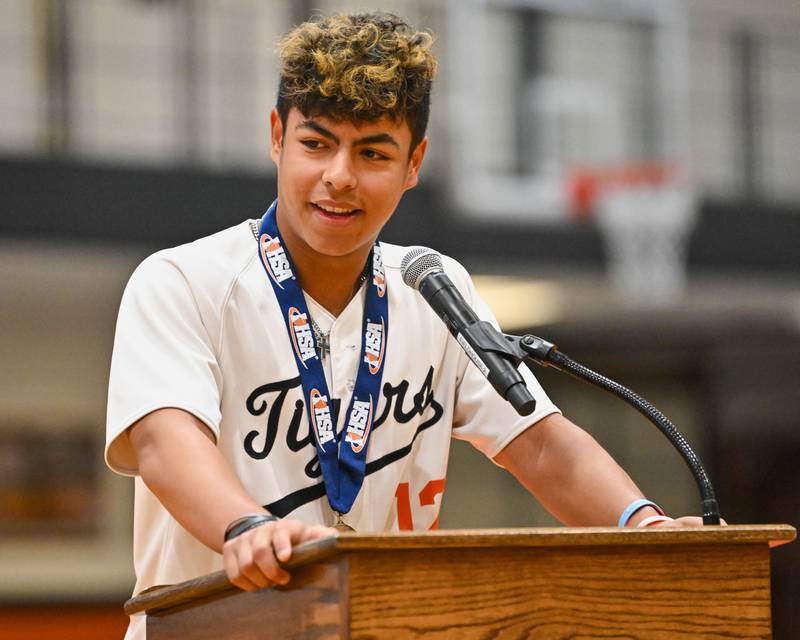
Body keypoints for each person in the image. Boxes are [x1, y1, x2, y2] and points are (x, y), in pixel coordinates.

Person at [105, 12, 705, 639]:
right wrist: (248, 527)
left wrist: (644, 527)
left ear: (414, 162)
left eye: (372, 153)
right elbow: (164, 444)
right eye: (316, 143)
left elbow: (541, 444)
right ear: (277, 136)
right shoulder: (181, 280)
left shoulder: (434, 287)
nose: (339, 175)